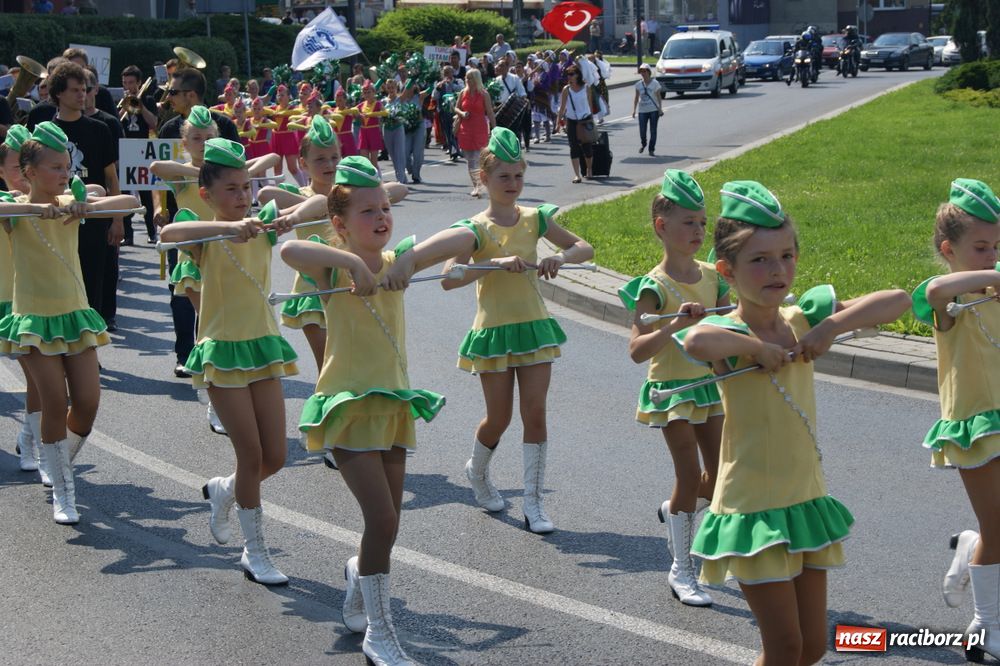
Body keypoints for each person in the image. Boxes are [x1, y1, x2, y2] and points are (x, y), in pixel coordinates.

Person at [678, 181, 910, 665]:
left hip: (804, 498)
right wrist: (756, 348)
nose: (777, 270)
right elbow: (696, 342)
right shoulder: (730, 331)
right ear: (727, 271)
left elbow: (899, 299)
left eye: (786, 256)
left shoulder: (801, 319)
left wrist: (830, 327)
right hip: (753, 508)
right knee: (783, 647)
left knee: (811, 647)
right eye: (760, 260)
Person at [280, 156, 445, 665]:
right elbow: (288, 249)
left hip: (392, 402)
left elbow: (459, 238)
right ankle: (380, 632)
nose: (381, 217)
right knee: (381, 516)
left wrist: (408, 262)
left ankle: (358, 572)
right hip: (348, 405)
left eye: (384, 209)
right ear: (340, 223)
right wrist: (353, 265)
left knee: (390, 523)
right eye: (368, 211)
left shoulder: (396, 259)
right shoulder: (330, 265)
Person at [391, 128, 594, 533]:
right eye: (503, 177)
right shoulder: (475, 229)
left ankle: (533, 503)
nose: (513, 184)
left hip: (534, 327)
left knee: (535, 412)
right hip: (494, 332)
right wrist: (493, 264)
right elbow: (449, 279)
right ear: (484, 179)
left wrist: (560, 257)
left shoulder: (535, 219)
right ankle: (478, 471)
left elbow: (584, 247)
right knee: (499, 418)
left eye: (518, 176)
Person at [158, 138, 298, 586]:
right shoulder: (201, 233)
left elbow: (313, 204)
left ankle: (224, 489)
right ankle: (255, 552)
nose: (242, 196)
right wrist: (226, 228)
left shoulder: (262, 224)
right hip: (221, 351)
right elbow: (168, 235)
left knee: (276, 456)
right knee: (251, 453)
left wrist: (279, 213)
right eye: (232, 190)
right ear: (207, 195)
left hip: (262, 347)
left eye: (246, 187)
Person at [0, 123, 139, 524]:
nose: (65, 174)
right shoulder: (13, 208)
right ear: (29, 172)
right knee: (54, 401)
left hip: (75, 315)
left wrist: (83, 206)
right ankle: (64, 491)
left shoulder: (70, 200)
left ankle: (56, 457)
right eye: (56, 168)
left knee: (88, 403)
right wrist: (32, 208)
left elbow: (127, 200)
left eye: (67, 167)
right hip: (33, 318)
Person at [618, 170, 726, 606]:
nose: (698, 231)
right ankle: (682, 569)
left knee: (720, 478)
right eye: (688, 223)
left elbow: (727, 333)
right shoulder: (653, 287)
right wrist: (676, 324)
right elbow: (637, 350)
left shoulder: (713, 277)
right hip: (671, 391)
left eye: (702, 222)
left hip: (710, 386)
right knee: (688, 474)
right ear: (662, 226)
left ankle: (674, 511)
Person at [911, 179, 1000, 662]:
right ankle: (987, 628)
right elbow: (936, 290)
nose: (992, 256)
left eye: (997, 247)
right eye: (981, 248)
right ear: (949, 249)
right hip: (973, 425)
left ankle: (973, 547)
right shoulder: (947, 302)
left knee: (998, 526)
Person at [157, 67, 240, 378]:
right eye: (196, 138)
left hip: (220, 246)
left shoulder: (224, 170)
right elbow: (156, 167)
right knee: (182, 300)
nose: (203, 143)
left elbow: (264, 162)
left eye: (208, 138)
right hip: (188, 247)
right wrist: (199, 173)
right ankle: (185, 353)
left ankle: (211, 358)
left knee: (217, 308)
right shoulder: (181, 170)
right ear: (185, 141)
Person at [42, 62, 123, 332]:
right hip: (56, 220)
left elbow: (111, 178)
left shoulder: (100, 129)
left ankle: (91, 340)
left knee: (92, 284)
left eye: (84, 90)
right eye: (75, 90)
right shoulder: (44, 131)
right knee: (58, 284)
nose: (83, 95)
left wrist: (117, 220)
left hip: (93, 219)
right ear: (58, 93)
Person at [121, 65, 159, 244]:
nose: (128, 86)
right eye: (125, 83)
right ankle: (127, 235)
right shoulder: (122, 101)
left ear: (139, 83)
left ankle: (152, 232)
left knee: (145, 194)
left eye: (131, 82)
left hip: (143, 148)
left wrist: (141, 106)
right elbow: (117, 122)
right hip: (126, 148)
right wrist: (124, 106)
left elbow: (154, 123)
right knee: (125, 195)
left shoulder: (148, 99)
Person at [455, 69, 495, 198]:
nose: (468, 80)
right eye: (467, 78)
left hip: (479, 129)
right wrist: (462, 113)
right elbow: (456, 108)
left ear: (476, 79)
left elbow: (490, 112)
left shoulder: (484, 94)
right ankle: (476, 186)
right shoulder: (463, 93)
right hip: (465, 130)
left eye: (470, 78)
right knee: (470, 159)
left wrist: (494, 129)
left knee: (478, 159)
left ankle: (480, 185)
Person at [556, 65, 596, 183]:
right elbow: (562, 107)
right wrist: (558, 123)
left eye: (571, 74)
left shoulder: (586, 87)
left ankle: (589, 169)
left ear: (577, 75)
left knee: (587, 147)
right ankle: (577, 175)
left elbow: (589, 104)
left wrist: (592, 120)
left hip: (585, 120)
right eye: (567, 74)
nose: (569, 77)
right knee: (573, 147)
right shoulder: (566, 89)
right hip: (572, 121)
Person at [268, 84, 307, 186]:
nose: (280, 97)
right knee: (277, 168)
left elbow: (300, 114)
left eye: (282, 95)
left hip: (288, 138)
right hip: (276, 139)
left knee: (292, 168)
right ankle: (279, 190)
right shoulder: (273, 108)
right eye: (278, 95)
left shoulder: (292, 108)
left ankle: (303, 186)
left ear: (288, 96)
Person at [61, 48, 115, 117]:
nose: (77, 71)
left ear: (86, 67)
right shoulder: (60, 91)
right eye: (72, 67)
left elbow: (114, 120)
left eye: (81, 67)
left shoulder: (102, 93)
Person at [632, 64, 663, 157]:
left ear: (649, 72)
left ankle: (651, 149)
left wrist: (660, 108)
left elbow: (659, 97)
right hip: (642, 110)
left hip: (653, 110)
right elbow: (636, 98)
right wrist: (634, 110)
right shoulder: (638, 84)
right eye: (641, 71)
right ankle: (643, 143)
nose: (643, 73)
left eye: (644, 71)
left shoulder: (655, 84)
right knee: (642, 130)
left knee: (653, 130)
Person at [355, 81, 388, 168]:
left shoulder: (378, 104)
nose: (367, 94)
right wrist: (358, 114)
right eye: (365, 93)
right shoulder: (361, 105)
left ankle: (376, 176)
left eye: (369, 92)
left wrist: (372, 114)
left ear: (374, 92)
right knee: (365, 161)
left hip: (373, 132)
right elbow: (353, 111)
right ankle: (368, 176)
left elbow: (385, 112)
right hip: (363, 133)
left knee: (374, 162)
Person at [400, 82, 427, 184]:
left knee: (417, 152)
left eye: (411, 85)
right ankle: (410, 168)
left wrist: (434, 81)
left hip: (419, 126)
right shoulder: (401, 99)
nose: (409, 87)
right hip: (407, 128)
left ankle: (416, 175)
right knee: (405, 152)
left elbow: (429, 90)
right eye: (407, 85)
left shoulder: (419, 97)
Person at [435, 66, 463, 161]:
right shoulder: (440, 84)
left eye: (448, 72)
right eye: (445, 73)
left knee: (455, 131)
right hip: (444, 111)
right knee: (447, 132)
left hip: (455, 111)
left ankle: (457, 150)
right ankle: (453, 152)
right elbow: (434, 96)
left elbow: (461, 90)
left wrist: (451, 84)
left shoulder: (458, 81)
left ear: (452, 72)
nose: (447, 74)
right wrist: (437, 88)